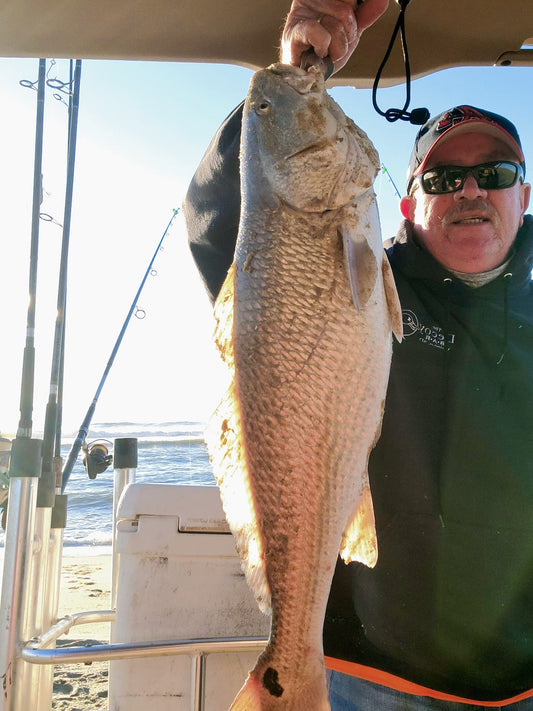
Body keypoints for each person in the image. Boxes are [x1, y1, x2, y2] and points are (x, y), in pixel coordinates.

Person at [183, 1, 533, 708]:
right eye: (440, 180)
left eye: (493, 174)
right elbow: (226, 229)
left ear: (523, 196)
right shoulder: (369, 274)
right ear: (406, 207)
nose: (468, 190)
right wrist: (291, 76)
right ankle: (290, 659)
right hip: (368, 677)